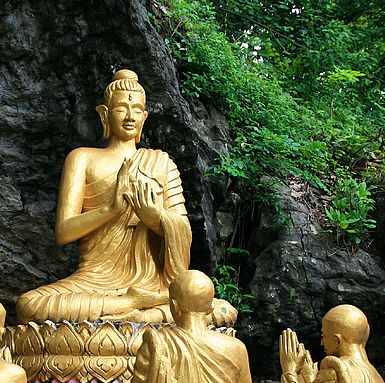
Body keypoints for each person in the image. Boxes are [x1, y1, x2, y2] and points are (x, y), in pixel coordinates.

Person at [16, 69, 236, 326]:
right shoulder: (82, 158)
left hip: (153, 283)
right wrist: (111, 209)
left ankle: (146, 309)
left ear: (144, 117)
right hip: (94, 282)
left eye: (137, 110)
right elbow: (64, 232)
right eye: (121, 108)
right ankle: (137, 306)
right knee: (30, 305)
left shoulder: (161, 163)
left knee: (219, 308)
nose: (130, 116)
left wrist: (155, 217)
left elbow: (183, 229)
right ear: (104, 114)